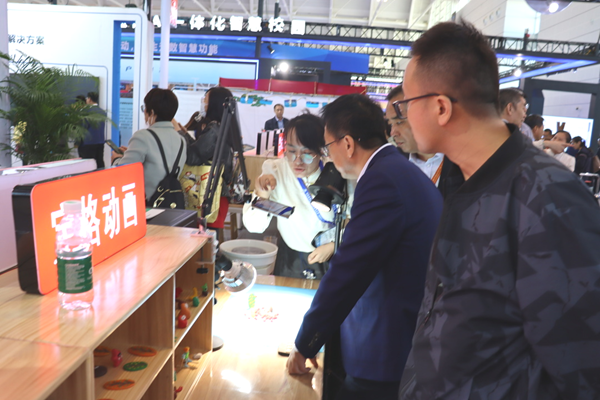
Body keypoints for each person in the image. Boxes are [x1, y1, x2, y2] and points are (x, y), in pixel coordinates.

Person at [399, 20, 600, 399]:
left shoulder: (547, 196)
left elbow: (582, 367)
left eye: (406, 103)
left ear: (440, 107)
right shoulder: (462, 180)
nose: (403, 116)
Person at [286, 94, 443, 400]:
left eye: (327, 147)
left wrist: (305, 343)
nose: (328, 156)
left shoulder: (382, 180)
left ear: (347, 144)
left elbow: (348, 272)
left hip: (385, 347)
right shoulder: (395, 169)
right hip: (400, 333)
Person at [243, 113, 337, 279]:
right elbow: (254, 226)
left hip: (333, 256)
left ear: (321, 151)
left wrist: (334, 245)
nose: (297, 161)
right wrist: (262, 195)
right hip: (291, 259)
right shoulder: (276, 171)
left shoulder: (335, 173)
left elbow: (353, 219)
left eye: (307, 153)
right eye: (292, 151)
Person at [111, 88, 186, 203]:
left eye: (145, 108)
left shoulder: (143, 136)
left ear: (152, 112)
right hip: (173, 203)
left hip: (149, 205)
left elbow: (123, 170)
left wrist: (116, 159)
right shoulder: (181, 140)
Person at [186, 86, 234, 230]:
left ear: (214, 103)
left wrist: (181, 135)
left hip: (210, 195)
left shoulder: (214, 129)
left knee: (204, 237)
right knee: (212, 237)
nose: (203, 103)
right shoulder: (226, 126)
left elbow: (193, 157)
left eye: (206, 100)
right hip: (219, 193)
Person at [385, 85, 448, 190]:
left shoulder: (462, 161)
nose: (393, 133)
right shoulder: (392, 166)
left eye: (399, 122)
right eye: (391, 124)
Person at [78, 92, 107, 168]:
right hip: (100, 141)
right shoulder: (102, 112)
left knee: (88, 165)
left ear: (89, 99)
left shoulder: (86, 112)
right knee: (99, 162)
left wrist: (77, 142)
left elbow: (82, 128)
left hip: (88, 142)